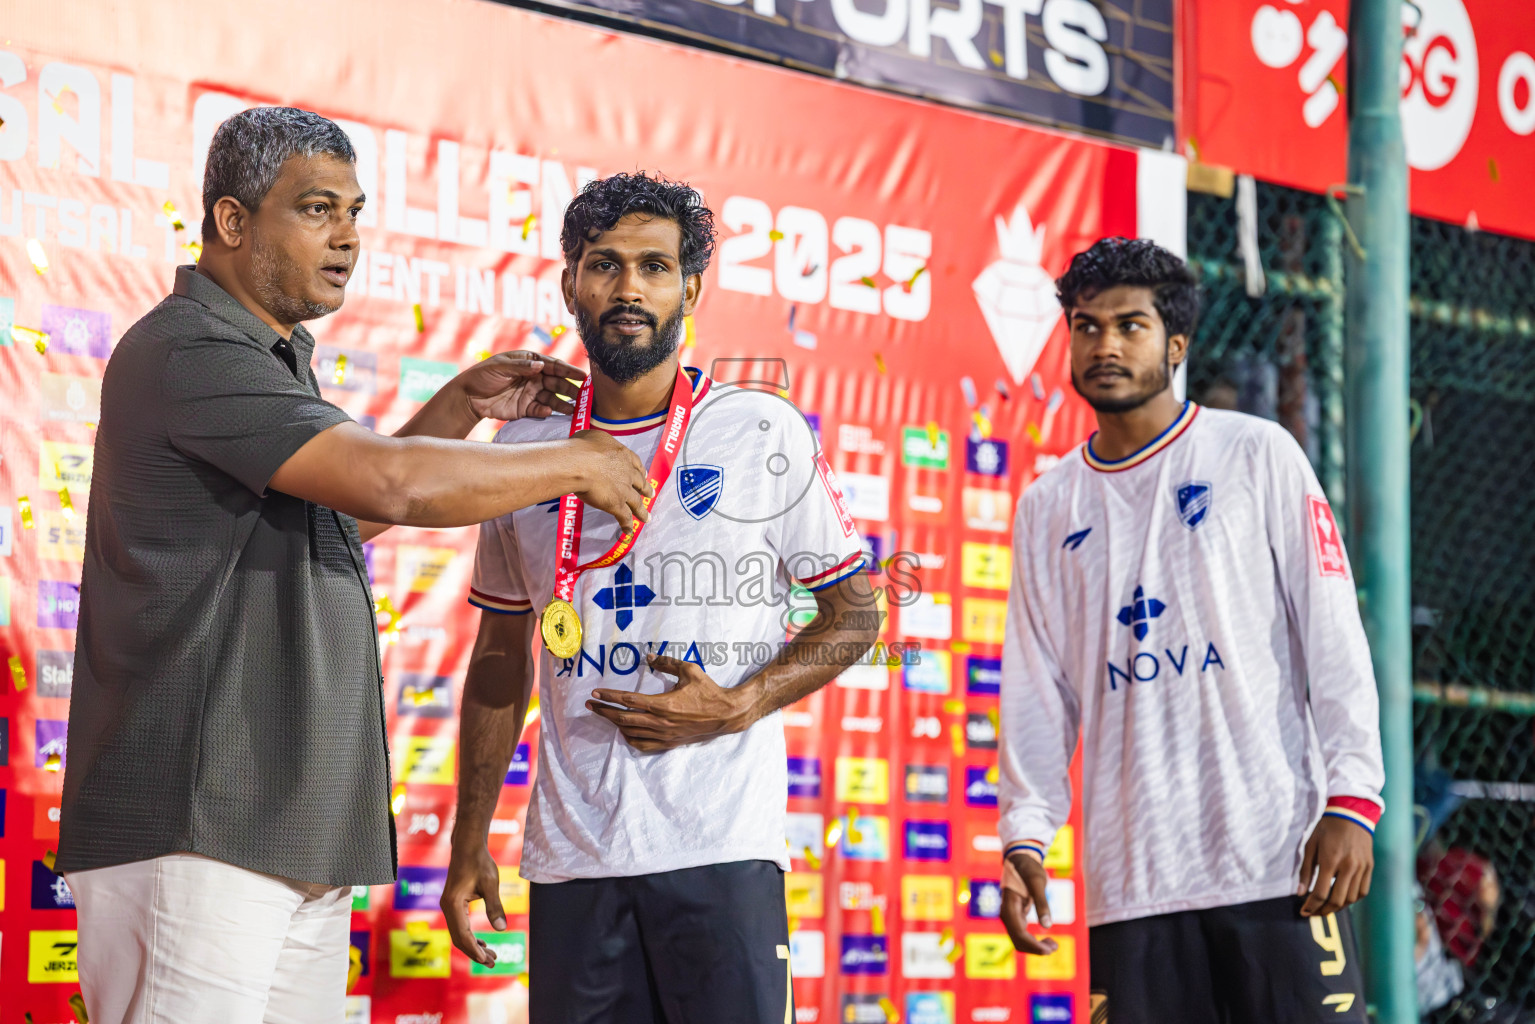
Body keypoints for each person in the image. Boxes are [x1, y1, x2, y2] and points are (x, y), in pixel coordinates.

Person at [56, 107, 652, 1024]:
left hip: (288, 830)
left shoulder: (272, 360)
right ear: (232, 222)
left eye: (356, 212)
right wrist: (580, 460)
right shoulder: (191, 348)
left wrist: (455, 408)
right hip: (196, 828)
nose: (347, 239)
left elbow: (338, 516)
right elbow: (393, 483)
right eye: (318, 209)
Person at [441, 172, 879, 1024]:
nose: (628, 288)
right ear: (571, 282)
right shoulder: (522, 445)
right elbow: (500, 658)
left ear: (691, 289)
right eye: (604, 265)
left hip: (718, 851)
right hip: (572, 859)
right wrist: (469, 841)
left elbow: (857, 612)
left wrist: (739, 704)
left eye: (653, 265)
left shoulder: (757, 429)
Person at [994, 238, 1385, 1023]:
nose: (1104, 344)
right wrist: (1024, 836)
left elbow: (1331, 631)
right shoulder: (1047, 505)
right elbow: (1036, 689)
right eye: (1085, 325)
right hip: (1132, 883)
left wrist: (1351, 799)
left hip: (1275, 865)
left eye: (1129, 325)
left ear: (1174, 345)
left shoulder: (1255, 453)